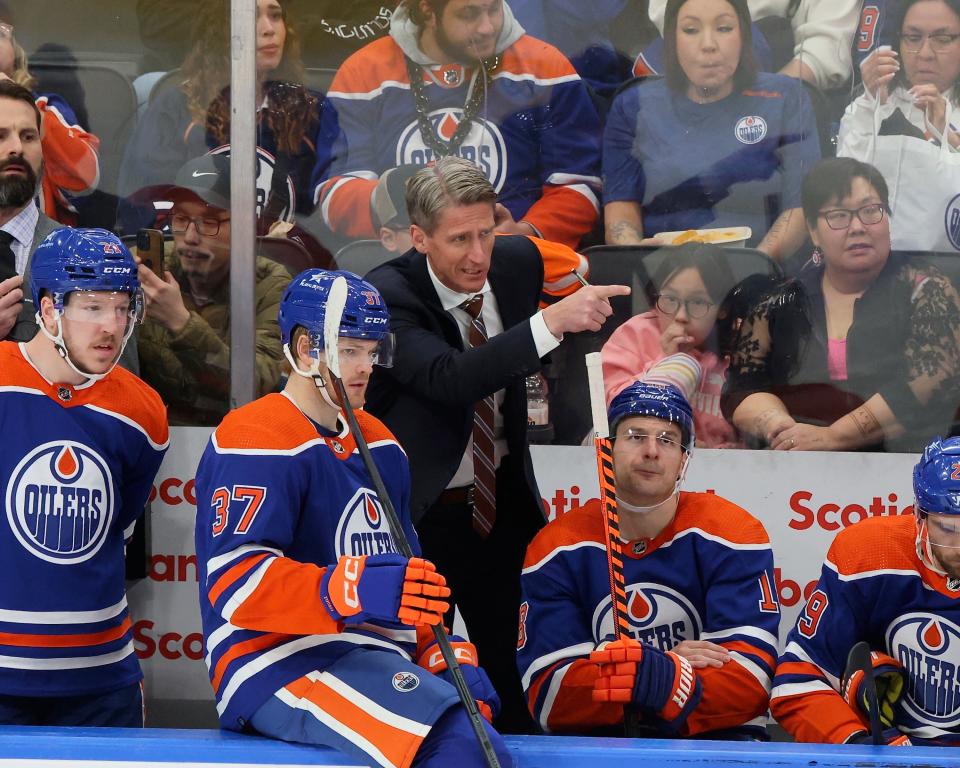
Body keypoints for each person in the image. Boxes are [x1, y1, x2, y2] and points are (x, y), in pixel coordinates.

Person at [194, 268, 513, 768]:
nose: (365, 367)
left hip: (368, 655)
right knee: (456, 746)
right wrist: (349, 589)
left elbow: (406, 580)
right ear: (304, 350)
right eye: (348, 350)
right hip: (274, 662)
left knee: (481, 721)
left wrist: (441, 648)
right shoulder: (256, 436)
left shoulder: (380, 441)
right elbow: (235, 584)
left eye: (371, 350)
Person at [364, 157, 630, 732]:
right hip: (418, 515)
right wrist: (549, 323)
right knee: (412, 677)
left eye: (487, 233)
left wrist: (586, 302)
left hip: (501, 506)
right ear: (419, 238)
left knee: (515, 674)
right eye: (459, 239)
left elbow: (579, 284)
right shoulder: (386, 293)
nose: (478, 255)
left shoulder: (517, 261)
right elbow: (451, 379)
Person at [518, 381, 779, 737]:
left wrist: (641, 676)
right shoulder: (557, 547)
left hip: (714, 748)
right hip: (604, 755)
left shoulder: (731, 533)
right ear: (606, 449)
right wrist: (668, 670)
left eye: (668, 440)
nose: (652, 451)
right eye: (635, 436)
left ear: (684, 458)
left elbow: (749, 683)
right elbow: (549, 695)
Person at [0, 227, 168, 725]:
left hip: (102, 680)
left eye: (122, 307)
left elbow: (119, 523)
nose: (111, 326)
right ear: (49, 309)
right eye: (92, 307)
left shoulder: (144, 411)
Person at [315, 0, 603, 250]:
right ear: (428, 10)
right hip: (402, 264)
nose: (487, 27)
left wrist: (524, 234)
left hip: (516, 262)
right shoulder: (364, 74)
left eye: (494, 9)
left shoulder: (545, 68)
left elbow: (579, 185)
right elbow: (335, 193)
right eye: (469, 14)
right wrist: (405, 219)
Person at [721, 157, 960, 453]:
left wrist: (832, 437)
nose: (857, 227)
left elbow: (925, 386)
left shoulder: (926, 289)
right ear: (813, 230)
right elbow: (741, 389)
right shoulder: (780, 301)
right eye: (839, 216)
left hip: (906, 469)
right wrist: (778, 425)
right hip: (797, 470)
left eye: (871, 211)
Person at [771, 436, 960, 745]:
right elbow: (797, 679)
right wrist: (862, 747)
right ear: (919, 515)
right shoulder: (867, 553)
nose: (958, 546)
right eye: (948, 529)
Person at [603, 0, 821, 261]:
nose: (708, 44)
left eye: (724, 28)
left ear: (744, 35)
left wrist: (753, 268)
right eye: (691, 30)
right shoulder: (633, 105)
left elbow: (799, 208)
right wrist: (640, 262)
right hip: (662, 278)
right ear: (671, 40)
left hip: (764, 273)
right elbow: (620, 213)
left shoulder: (786, 97)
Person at [119, 0, 338, 235]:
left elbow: (328, 212)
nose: (268, 29)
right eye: (252, 17)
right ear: (220, 33)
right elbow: (144, 206)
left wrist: (292, 242)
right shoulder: (176, 109)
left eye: (275, 16)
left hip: (287, 265)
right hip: (193, 262)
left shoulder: (311, 110)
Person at [136, 154, 290, 426]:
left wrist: (180, 323)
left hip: (234, 432)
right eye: (182, 219)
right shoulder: (145, 269)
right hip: (153, 432)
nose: (191, 238)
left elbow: (258, 382)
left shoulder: (271, 284)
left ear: (244, 225)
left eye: (209, 222)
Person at [837, 0, 960, 250]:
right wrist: (871, 106)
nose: (925, 53)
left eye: (943, 39)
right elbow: (840, 193)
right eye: (913, 39)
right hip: (870, 264)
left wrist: (949, 138)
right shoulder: (871, 104)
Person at [601, 242, 742, 448]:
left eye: (698, 303)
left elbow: (753, 424)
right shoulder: (634, 335)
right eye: (670, 299)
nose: (681, 316)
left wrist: (738, 449)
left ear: (723, 308)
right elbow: (614, 410)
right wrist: (668, 362)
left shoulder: (744, 344)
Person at [0, 7, 100, 226]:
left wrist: (34, 115)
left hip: (42, 251)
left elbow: (86, 184)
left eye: (1, 33)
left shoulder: (47, 109)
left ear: (16, 54)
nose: (16, 146)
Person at [643, 0, 861, 90]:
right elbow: (669, 16)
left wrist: (761, 104)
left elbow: (823, 51)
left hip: (781, 84)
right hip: (686, 77)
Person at [0, 80, 72, 343]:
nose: (17, 148)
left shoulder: (80, 258)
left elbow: (119, 381)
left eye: (28, 137)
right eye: (0, 135)